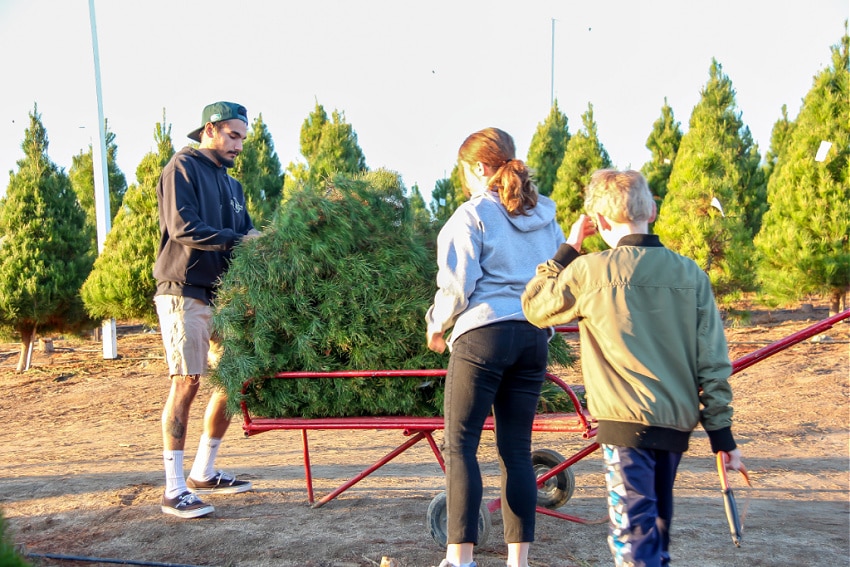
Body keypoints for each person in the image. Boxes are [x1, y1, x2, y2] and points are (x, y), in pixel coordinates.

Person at [521, 169, 745, 566]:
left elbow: (535, 307)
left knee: (634, 537)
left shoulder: (591, 271)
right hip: (675, 426)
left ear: (601, 222)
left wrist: (568, 248)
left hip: (625, 427)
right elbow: (713, 362)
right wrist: (722, 435)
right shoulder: (690, 274)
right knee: (656, 531)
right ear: (653, 211)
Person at [425, 128, 566, 567]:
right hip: (532, 336)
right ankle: (518, 561)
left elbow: (456, 285)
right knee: (515, 450)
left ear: (480, 168)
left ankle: (460, 558)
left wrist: (436, 325)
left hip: (483, 334)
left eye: (465, 172)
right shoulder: (547, 218)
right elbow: (556, 280)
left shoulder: (472, 215)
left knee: (462, 443)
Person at [153, 101, 261, 519]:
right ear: (210, 130)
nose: (239, 145)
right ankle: (173, 489)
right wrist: (239, 241)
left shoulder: (233, 186)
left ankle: (204, 470)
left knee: (234, 376)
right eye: (234, 135)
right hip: (184, 290)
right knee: (187, 382)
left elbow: (247, 231)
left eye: (243, 139)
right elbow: (183, 228)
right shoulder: (181, 168)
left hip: (221, 296)